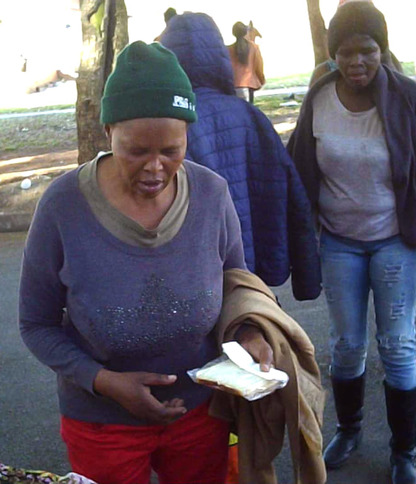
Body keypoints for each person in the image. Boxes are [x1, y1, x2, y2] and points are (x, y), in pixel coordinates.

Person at [18, 41, 275, 484]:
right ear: (108, 131)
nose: (155, 167)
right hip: (101, 424)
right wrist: (103, 381)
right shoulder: (62, 206)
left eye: (171, 151)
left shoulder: (211, 194)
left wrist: (249, 334)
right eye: (137, 151)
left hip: (202, 413)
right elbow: (36, 324)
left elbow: (238, 287)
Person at [287, 3, 416, 484]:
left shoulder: (408, 100)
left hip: (395, 241)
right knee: (346, 344)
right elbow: (301, 175)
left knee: (398, 344)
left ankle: (403, 452)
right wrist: (302, 243)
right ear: (333, 55)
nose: (357, 61)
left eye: (367, 50)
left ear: (382, 50)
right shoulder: (319, 99)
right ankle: (349, 431)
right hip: (339, 243)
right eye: (346, 52)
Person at [160, 12, 321, 302]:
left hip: (200, 272)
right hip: (255, 274)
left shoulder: (170, 127)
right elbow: (296, 198)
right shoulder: (251, 117)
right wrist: (307, 279)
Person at [227, 21, 265, 103]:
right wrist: (262, 80)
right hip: (248, 85)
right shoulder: (254, 47)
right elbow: (259, 67)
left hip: (232, 86)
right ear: (245, 32)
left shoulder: (228, 49)